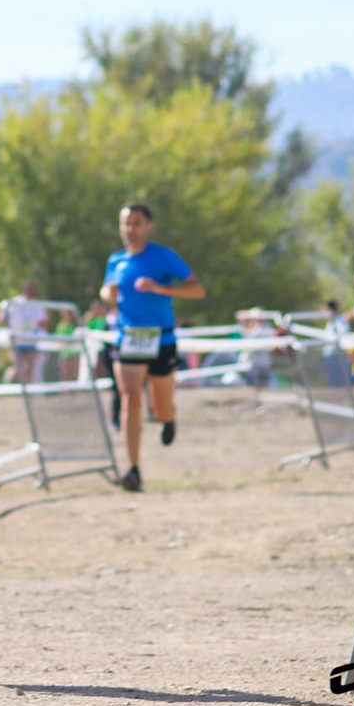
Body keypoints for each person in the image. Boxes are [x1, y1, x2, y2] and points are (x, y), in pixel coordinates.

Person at [99, 203, 206, 492]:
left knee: (159, 407)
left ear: (148, 227)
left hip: (163, 340)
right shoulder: (116, 261)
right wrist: (108, 292)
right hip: (129, 338)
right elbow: (108, 290)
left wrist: (162, 289)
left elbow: (197, 289)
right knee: (130, 400)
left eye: (136, 223)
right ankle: (132, 470)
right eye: (126, 224)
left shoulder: (163, 257)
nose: (131, 229)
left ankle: (168, 419)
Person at [0, 281, 50, 385]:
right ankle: (10, 379)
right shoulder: (14, 302)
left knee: (29, 370)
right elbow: (0, 318)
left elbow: (44, 322)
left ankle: (26, 396)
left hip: (31, 343)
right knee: (19, 368)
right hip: (16, 342)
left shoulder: (38, 305)